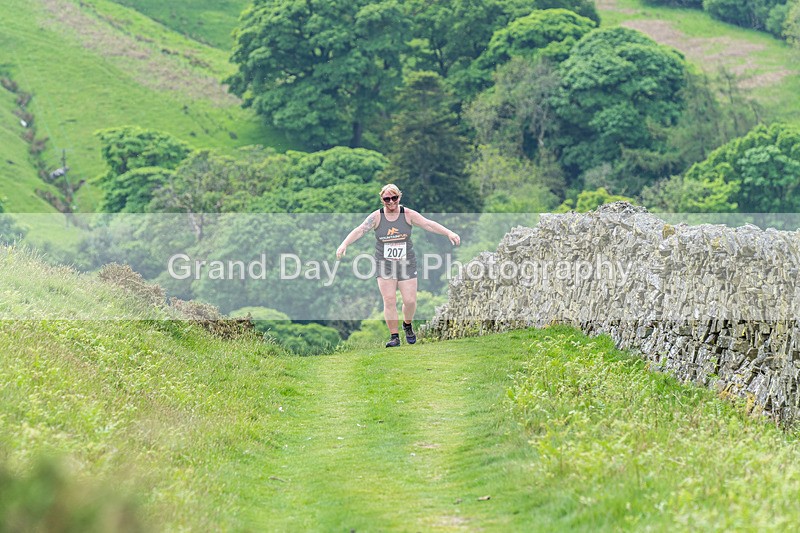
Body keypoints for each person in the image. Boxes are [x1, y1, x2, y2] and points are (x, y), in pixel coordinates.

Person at [336, 184, 460, 347]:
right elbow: (360, 230)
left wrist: (449, 232)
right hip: (384, 264)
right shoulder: (377, 217)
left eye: (394, 198)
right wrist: (344, 244)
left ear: (399, 197)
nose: (391, 202)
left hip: (406, 263)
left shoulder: (407, 214)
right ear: (382, 200)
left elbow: (428, 224)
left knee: (409, 301)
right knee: (389, 300)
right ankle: (394, 336)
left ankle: (407, 325)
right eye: (387, 199)